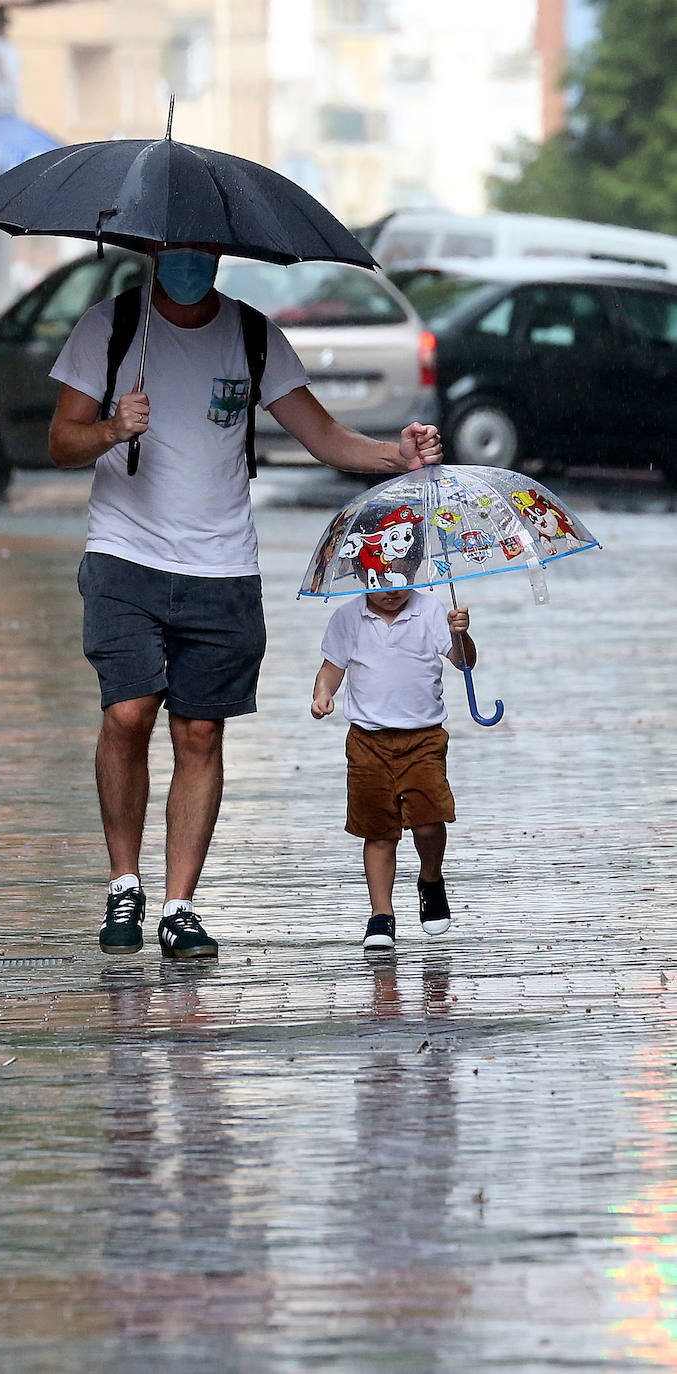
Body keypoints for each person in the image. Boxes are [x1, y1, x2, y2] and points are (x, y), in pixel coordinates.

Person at [48, 240, 442, 960]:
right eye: (178, 248)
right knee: (128, 711)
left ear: (222, 255)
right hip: (124, 556)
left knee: (200, 734)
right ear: (153, 250)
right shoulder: (108, 329)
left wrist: (396, 456)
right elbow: (61, 441)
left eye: (204, 249)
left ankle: (178, 907)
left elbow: (321, 435)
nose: (191, 260)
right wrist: (111, 428)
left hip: (223, 567)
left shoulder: (253, 335)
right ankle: (123, 884)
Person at [310, 567, 476, 951]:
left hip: (423, 738)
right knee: (378, 830)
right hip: (367, 741)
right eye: (379, 581)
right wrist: (322, 693)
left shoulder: (431, 611)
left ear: (415, 571)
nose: (390, 592)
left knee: (429, 822)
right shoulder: (348, 617)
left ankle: (431, 879)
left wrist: (460, 633)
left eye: (399, 581)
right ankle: (380, 914)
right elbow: (332, 667)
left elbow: (464, 662)